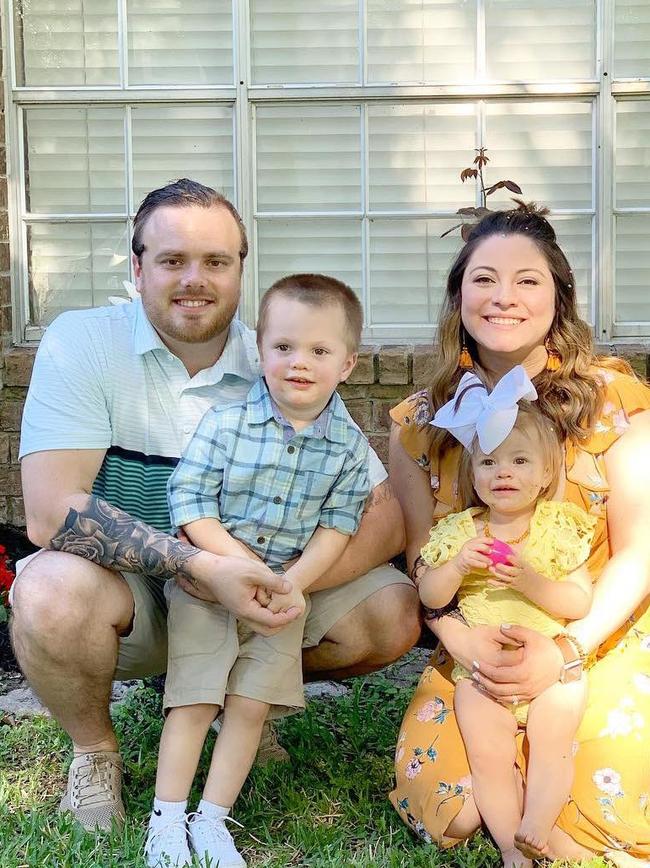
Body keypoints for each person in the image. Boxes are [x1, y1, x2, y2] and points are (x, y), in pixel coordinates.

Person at [11, 178, 419, 832]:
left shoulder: (282, 358)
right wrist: (204, 570)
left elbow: (383, 514)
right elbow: (50, 513)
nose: (194, 279)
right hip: (132, 595)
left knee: (388, 612)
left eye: (216, 261)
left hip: (252, 594)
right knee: (48, 592)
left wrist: (278, 587)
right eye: (172, 261)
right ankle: (94, 753)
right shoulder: (83, 343)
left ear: (239, 272)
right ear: (138, 269)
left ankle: (242, 697)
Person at [389, 201, 650, 864]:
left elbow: (641, 551)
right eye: (484, 278)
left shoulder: (616, 402)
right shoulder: (422, 423)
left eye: (527, 280)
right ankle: (518, 833)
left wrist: (564, 650)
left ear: (558, 298)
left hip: (598, 634)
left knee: (613, 796)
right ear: (458, 296)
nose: (504, 297)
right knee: (447, 806)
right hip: (482, 637)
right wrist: (464, 644)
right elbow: (425, 561)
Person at [144, 274, 370, 868]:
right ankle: (166, 819)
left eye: (320, 351)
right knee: (194, 700)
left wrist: (292, 585)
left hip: (282, 600)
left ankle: (213, 819)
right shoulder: (224, 424)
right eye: (285, 347)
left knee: (249, 706)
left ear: (347, 364)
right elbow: (191, 503)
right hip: (209, 587)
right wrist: (244, 569)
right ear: (261, 350)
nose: (300, 363)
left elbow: (338, 525)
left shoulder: (347, 446)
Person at [419, 366, 595, 868]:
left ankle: (536, 823)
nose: (504, 473)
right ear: (473, 474)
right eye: (490, 462)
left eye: (520, 461)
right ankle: (508, 846)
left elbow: (578, 602)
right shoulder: (460, 531)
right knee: (489, 754)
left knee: (553, 743)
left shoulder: (557, 528)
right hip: (482, 672)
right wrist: (454, 566)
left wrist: (529, 581)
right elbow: (430, 595)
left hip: (551, 669)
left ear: (545, 474)